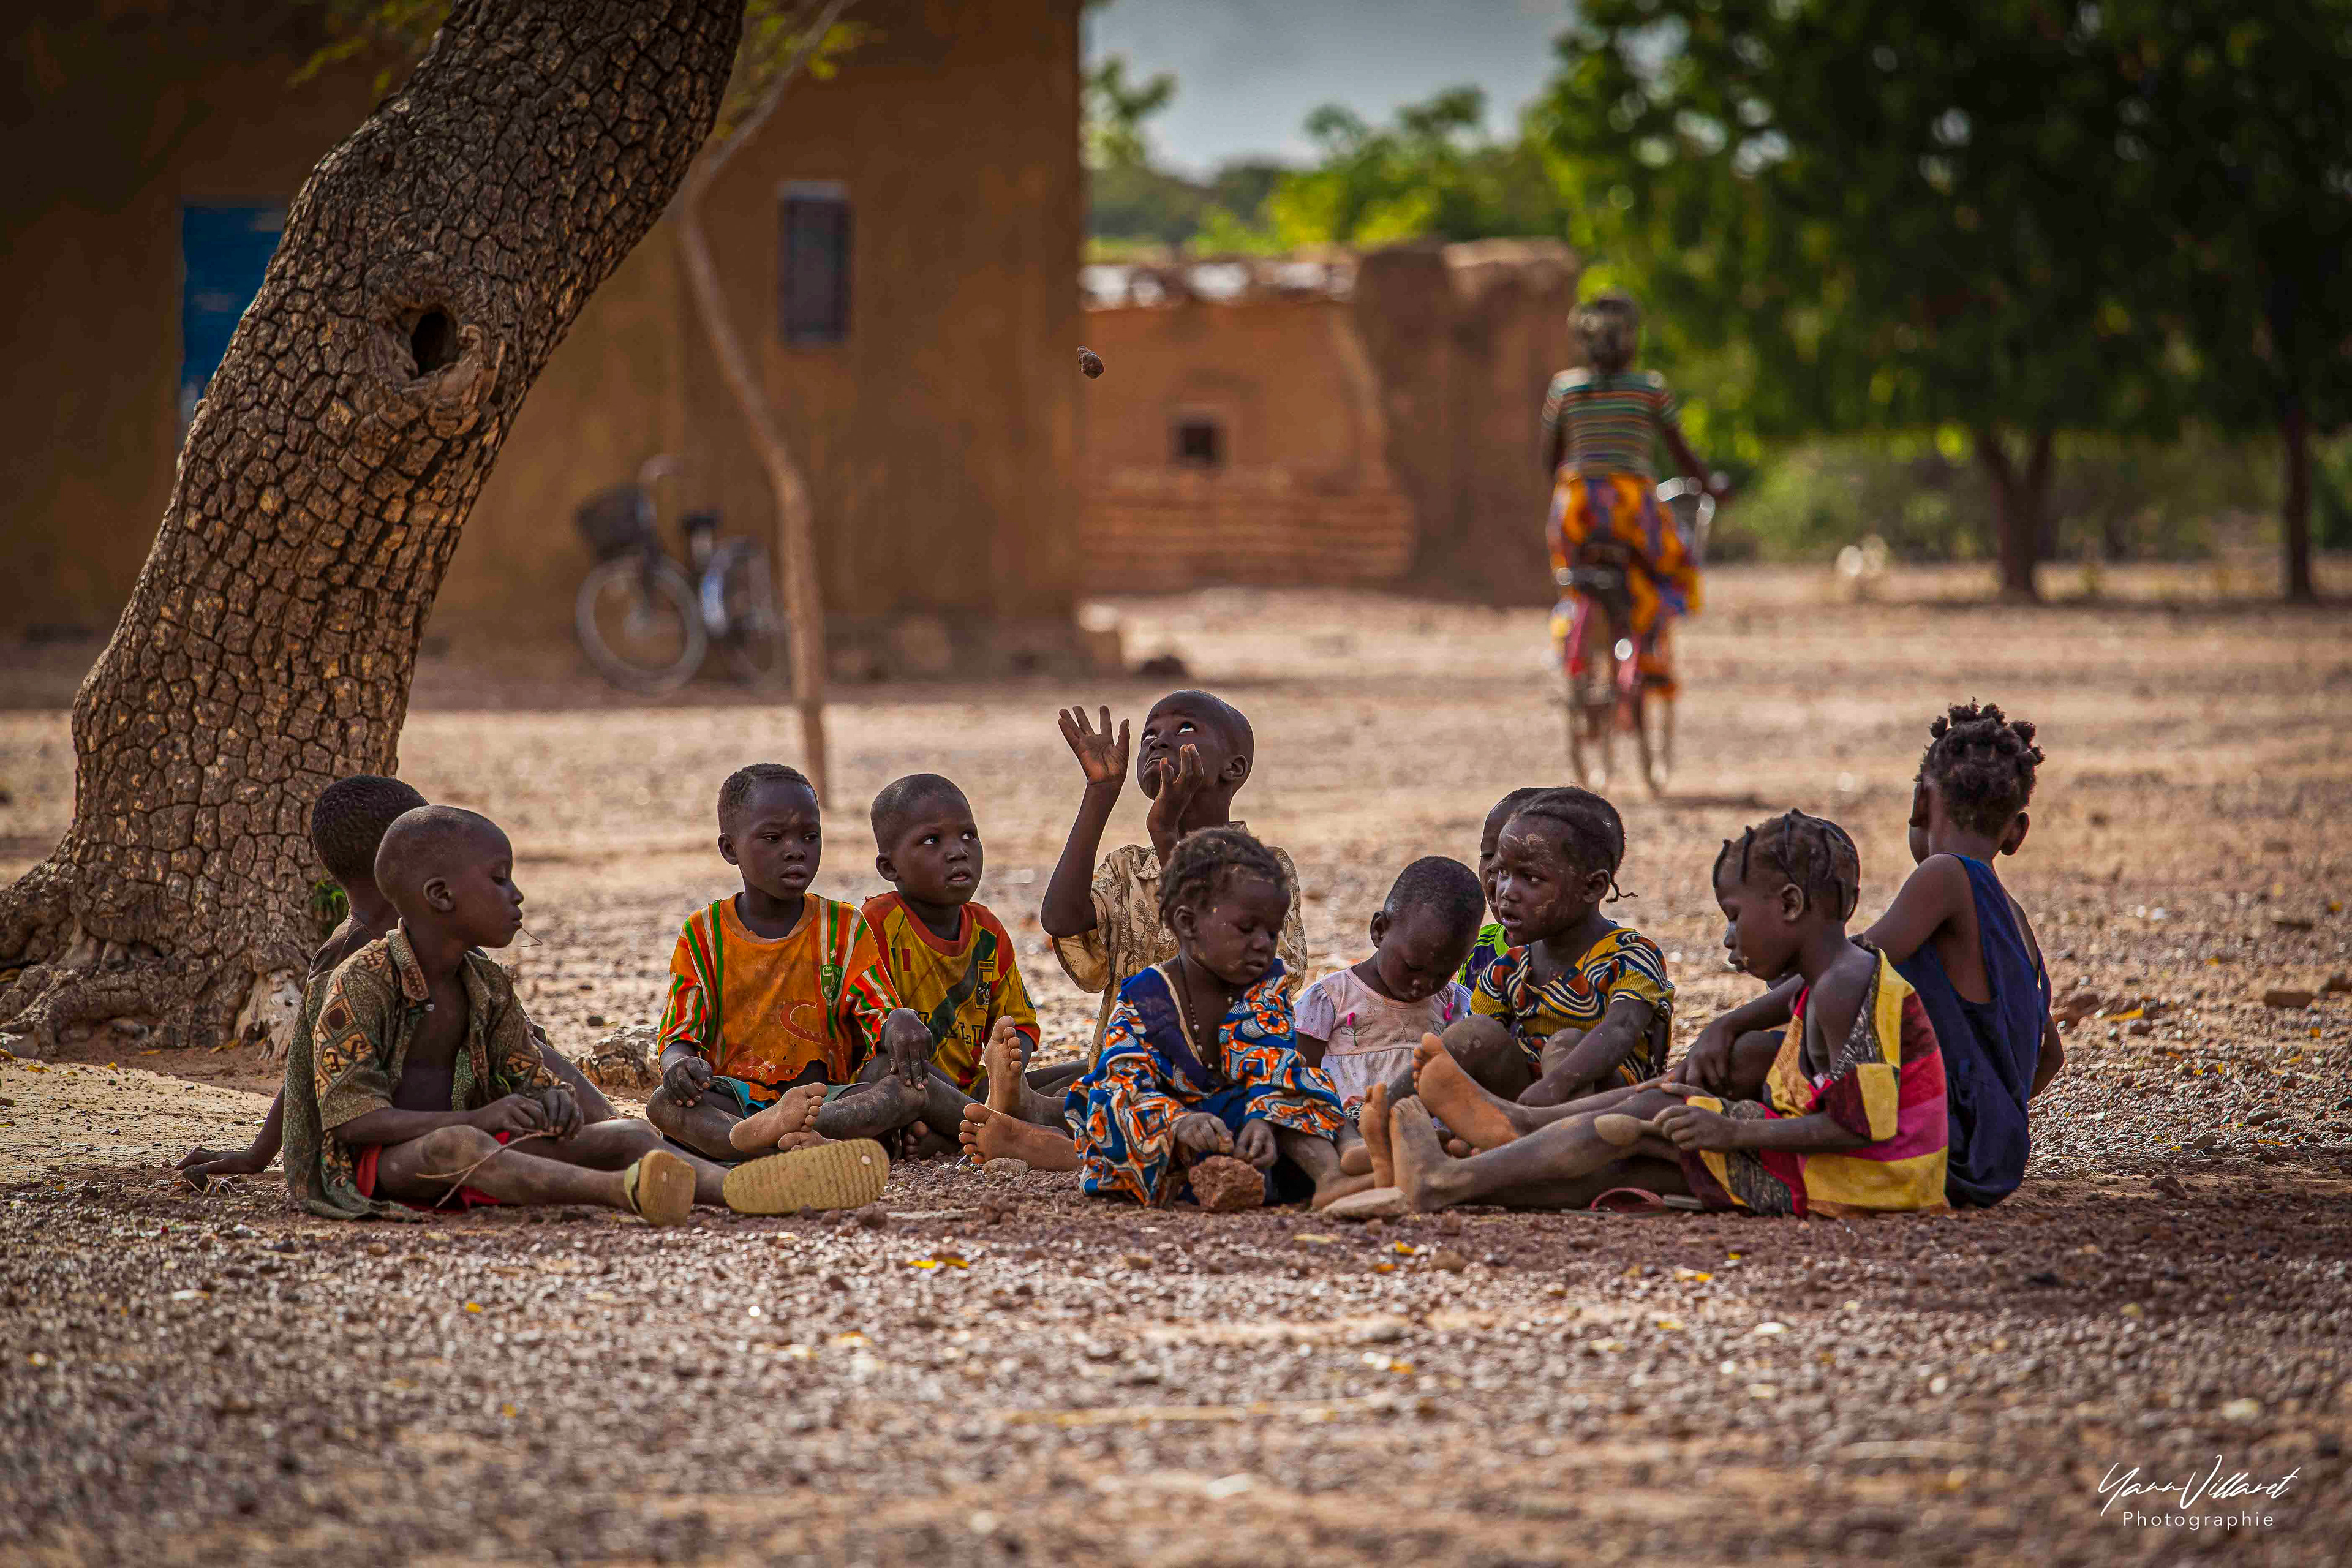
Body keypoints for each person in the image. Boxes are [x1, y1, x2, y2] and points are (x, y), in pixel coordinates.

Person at [1364, 811, 1949, 1219]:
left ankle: (1467, 1166)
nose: (1726, 937)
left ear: (1791, 906)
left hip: (1872, 1181)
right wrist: (1727, 1024)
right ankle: (1500, 1137)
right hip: (1847, 1174)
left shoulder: (1846, 987)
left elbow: (1861, 1128)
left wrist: (1734, 1130)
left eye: (1734, 916)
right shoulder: (1840, 973)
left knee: (1646, 1125)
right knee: (1645, 1123)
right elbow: (1790, 1003)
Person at [287, 807, 844, 1222]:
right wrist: (478, 1120)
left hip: (490, 1145)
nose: (518, 896)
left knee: (626, 1131)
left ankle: (741, 1191)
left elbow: (529, 1077)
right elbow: (353, 1121)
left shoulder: (486, 985)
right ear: (440, 896)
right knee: (457, 1146)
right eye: (500, 879)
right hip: (379, 1168)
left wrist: (549, 1101)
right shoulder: (363, 981)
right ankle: (624, 1192)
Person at [1677, 703, 2061, 1206]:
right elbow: (2050, 1056)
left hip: (1945, 1158)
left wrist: (1726, 1024)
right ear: (2017, 830)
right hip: (1996, 1160)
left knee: (1755, 1052)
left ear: (1921, 802)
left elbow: (1851, 960)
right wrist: (1992, 1114)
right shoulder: (2017, 921)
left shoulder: (1945, 874)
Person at [177, 775, 614, 1188]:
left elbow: (522, 1051)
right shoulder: (351, 959)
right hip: (416, 1140)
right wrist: (258, 1154)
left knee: (571, 1089)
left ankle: (617, 1135)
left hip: (485, 1105)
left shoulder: (445, 940)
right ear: (407, 864)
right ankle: (611, 1145)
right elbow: (312, 1067)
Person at [644, 764, 932, 1174]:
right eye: (773, 838)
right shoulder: (704, 933)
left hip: (830, 1098)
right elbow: (679, 1034)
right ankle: (778, 1142)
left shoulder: (844, 927)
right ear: (730, 850)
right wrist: (680, 1067)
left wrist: (900, 1020)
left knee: (907, 1088)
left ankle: (768, 1143)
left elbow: (878, 1013)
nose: (796, 849)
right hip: (737, 1097)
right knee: (665, 1103)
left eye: (810, 837)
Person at [747, 772, 1040, 1161]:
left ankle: (967, 1130)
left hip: (970, 1090)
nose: (958, 852)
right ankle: (1002, 1131)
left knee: (1081, 1075)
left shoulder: (988, 931)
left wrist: (1013, 1059)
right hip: (897, 1082)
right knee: (899, 1076)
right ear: (889, 867)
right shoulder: (877, 924)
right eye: (932, 841)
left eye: (968, 835)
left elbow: (1020, 1025)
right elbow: (856, 1031)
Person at [1058, 827, 1349, 1208]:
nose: (1264, 943)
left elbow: (1273, 1059)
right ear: (1188, 924)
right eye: (1247, 928)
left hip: (1253, 1134)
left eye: (1272, 931)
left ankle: (1334, 1175)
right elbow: (1121, 1082)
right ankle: (1333, 1165)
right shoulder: (1145, 998)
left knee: (1305, 1085)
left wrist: (1264, 1117)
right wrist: (1179, 1122)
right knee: (1107, 1109)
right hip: (1176, 1146)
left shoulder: (1264, 986)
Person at [1041, 692, 1307, 1065]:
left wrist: (1165, 832)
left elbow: (1262, 981)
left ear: (1234, 768)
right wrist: (1100, 793)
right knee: (1059, 1087)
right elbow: (1060, 920)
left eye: (1185, 728)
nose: (1160, 741)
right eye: (1149, 735)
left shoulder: (1264, 870)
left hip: (1227, 1071)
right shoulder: (1126, 869)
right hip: (1130, 1076)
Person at [1411, 788, 1673, 1111]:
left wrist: (1554, 1087)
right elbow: (1465, 1047)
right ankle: (1389, 1112)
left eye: (1530, 878)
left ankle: (1522, 1140)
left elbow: (1621, 1029)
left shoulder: (1631, 957)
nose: (1506, 891)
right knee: (1473, 1033)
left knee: (1566, 1044)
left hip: (1611, 1111)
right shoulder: (1508, 968)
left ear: (1592, 887)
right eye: (1502, 872)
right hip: (1527, 1102)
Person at [1542, 291, 1718, 699]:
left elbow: (1550, 460)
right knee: (1672, 568)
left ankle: (1573, 648)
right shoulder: (1649, 388)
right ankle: (1651, 652)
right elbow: (1683, 456)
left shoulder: (1564, 389)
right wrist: (1713, 487)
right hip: (1633, 510)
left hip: (1578, 508)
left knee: (1573, 580)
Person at [1295, 856, 1480, 1114]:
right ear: (1379, 930)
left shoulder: (1454, 1003)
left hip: (1426, 1129)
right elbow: (1299, 1074)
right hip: (1344, 1129)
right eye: (1413, 967)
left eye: (1442, 975)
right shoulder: (1331, 999)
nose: (1422, 985)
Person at [1461, 786, 1545, 991]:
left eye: (1520, 861)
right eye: (1489, 855)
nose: (1494, 868)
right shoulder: (1477, 952)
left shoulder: (1603, 957)